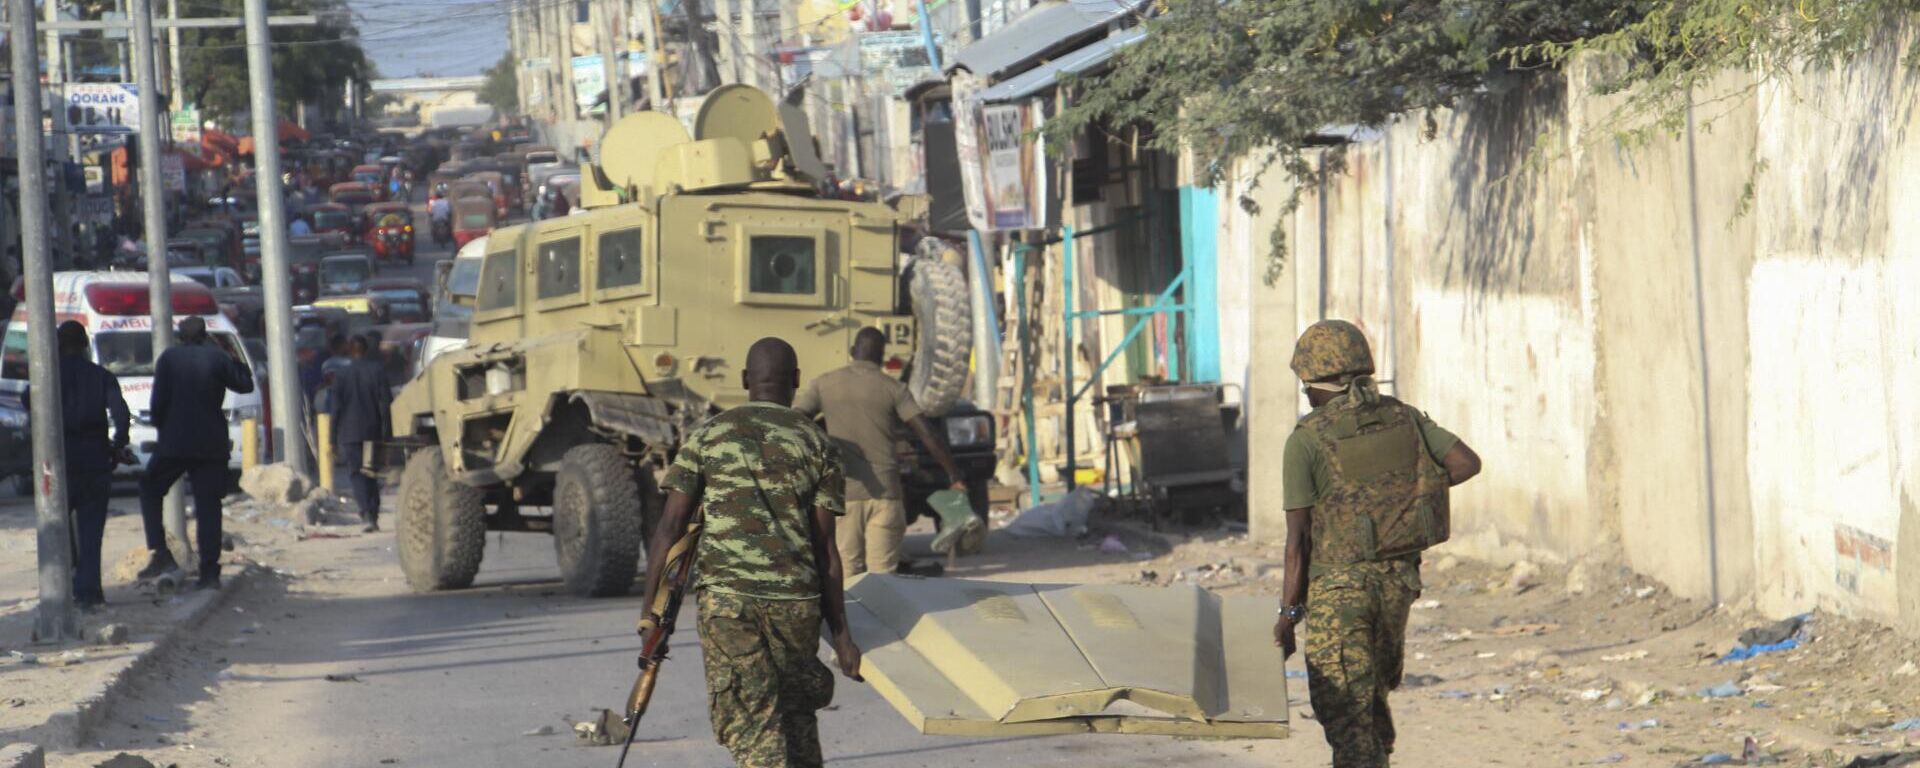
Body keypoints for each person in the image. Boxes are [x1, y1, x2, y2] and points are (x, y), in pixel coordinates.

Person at [642, 337, 863, 768]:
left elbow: (669, 528)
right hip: (797, 606)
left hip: (729, 606)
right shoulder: (817, 444)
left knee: (753, 725)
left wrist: (650, 615)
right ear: (796, 381)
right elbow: (826, 550)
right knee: (795, 717)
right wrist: (841, 634)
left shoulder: (707, 437)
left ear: (744, 380)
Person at [1273, 319, 1482, 768]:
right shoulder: (1402, 415)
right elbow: (1465, 463)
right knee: (1370, 699)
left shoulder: (1307, 439)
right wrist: (1406, 497)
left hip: (1338, 593)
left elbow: (1299, 541)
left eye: (1306, 385)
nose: (1306, 395)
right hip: (1397, 583)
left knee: (1345, 711)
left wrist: (1288, 616)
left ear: (1318, 383)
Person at [793, 327, 964, 576]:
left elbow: (798, 419)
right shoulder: (894, 388)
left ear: (852, 352)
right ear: (882, 358)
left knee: (847, 572)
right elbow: (927, 433)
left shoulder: (823, 383)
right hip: (886, 495)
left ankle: (850, 616)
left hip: (844, 493)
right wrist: (954, 475)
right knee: (883, 576)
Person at [136, 317, 255, 589]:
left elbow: (158, 404)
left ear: (179, 335)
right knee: (208, 508)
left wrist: (164, 428)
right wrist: (233, 355)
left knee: (150, 489)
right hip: (211, 444)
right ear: (205, 335)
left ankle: (160, 551)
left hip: (174, 443)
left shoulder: (169, 359)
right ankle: (209, 573)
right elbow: (245, 384)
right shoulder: (217, 358)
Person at [25, 322, 130, 608]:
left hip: (56, 463)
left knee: (55, 527)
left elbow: (27, 402)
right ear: (85, 345)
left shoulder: (46, 376)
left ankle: (60, 591)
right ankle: (89, 592)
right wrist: (118, 444)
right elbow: (121, 414)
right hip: (95, 460)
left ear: (57, 345)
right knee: (91, 531)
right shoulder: (101, 376)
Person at [327, 333, 391, 532]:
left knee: (356, 474)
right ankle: (373, 511)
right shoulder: (378, 371)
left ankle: (366, 512)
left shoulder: (342, 375)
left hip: (350, 433)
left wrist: (332, 440)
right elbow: (386, 405)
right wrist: (387, 433)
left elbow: (335, 409)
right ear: (366, 350)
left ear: (350, 350)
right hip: (373, 430)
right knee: (371, 472)